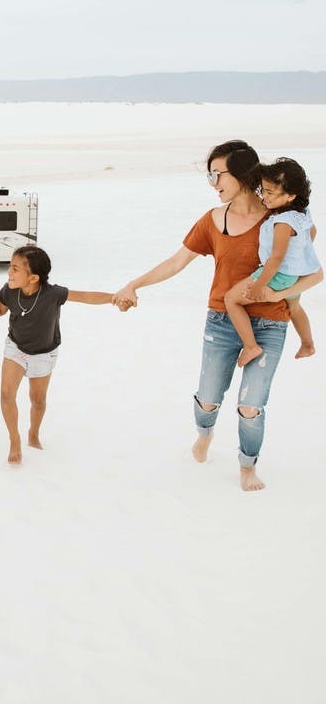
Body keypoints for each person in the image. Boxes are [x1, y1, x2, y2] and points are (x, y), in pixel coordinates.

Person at [113, 140, 323, 492]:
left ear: (241, 173)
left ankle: (247, 467)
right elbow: (177, 262)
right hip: (222, 321)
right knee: (208, 398)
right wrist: (135, 284)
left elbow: (309, 271)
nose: (213, 183)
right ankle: (204, 435)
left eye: (217, 174)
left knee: (251, 406)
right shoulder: (213, 221)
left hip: (271, 322)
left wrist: (276, 294)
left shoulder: (281, 217)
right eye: (209, 175)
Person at [0, 246, 115, 464]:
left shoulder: (53, 294)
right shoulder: (10, 291)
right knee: (6, 394)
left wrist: (114, 298)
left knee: (38, 400)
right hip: (16, 348)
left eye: (15, 269)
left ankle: (33, 433)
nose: (9, 273)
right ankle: (14, 439)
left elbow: (86, 296)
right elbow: (0, 310)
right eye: (9, 268)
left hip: (44, 353)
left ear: (33, 277)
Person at [224, 157, 319, 367]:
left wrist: (259, 285)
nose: (264, 197)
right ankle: (307, 344)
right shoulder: (301, 213)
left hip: (278, 274)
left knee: (231, 300)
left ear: (290, 195)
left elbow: (275, 259)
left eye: (270, 193)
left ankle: (251, 346)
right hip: (294, 273)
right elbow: (311, 232)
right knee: (294, 307)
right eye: (263, 190)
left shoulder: (283, 222)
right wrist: (298, 257)